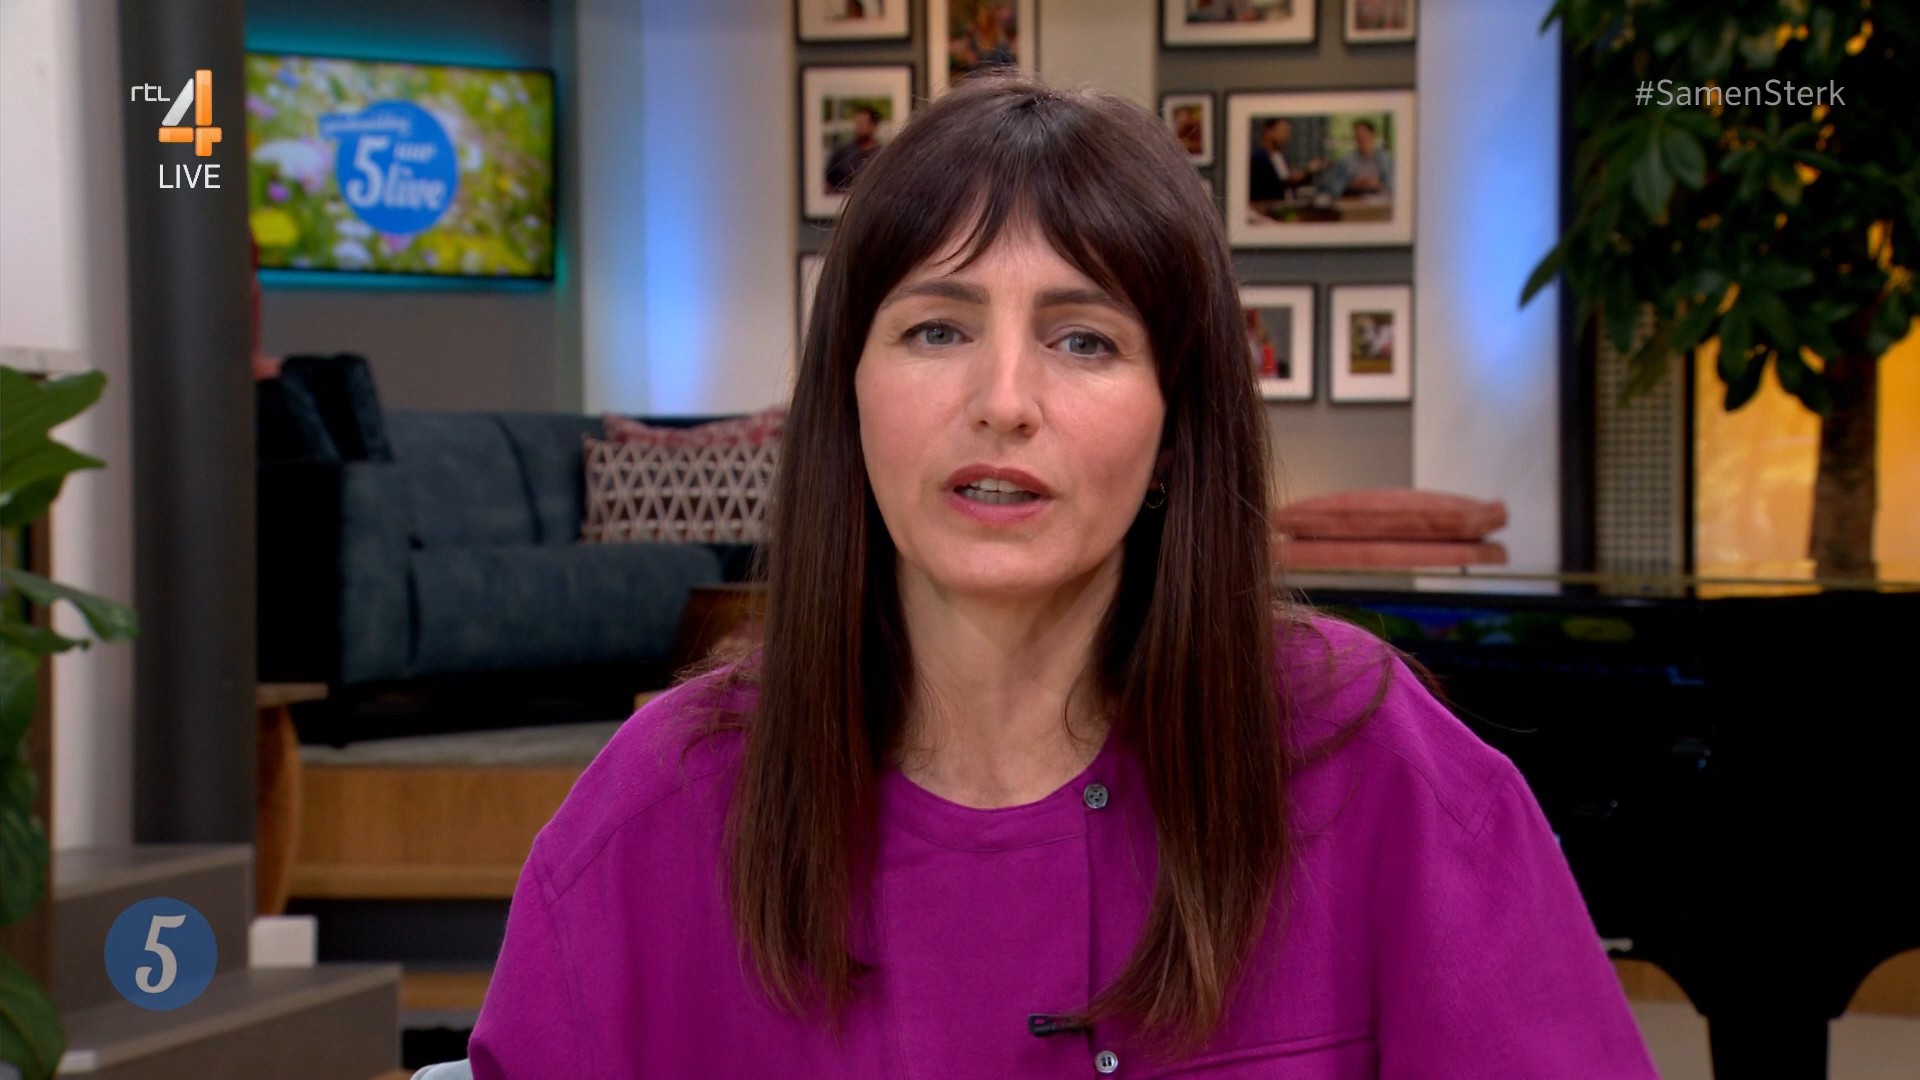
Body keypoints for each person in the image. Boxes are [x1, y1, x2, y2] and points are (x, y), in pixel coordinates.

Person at [467, 74, 1659, 1080]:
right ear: (849, 394)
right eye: (938, 329)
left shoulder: (1372, 759)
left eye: (1083, 339)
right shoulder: (661, 808)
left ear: (1175, 425)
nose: (1003, 401)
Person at [1248, 117, 1319, 202]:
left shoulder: (1281, 157)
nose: (1286, 137)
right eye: (1284, 132)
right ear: (1269, 132)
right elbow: (1278, 183)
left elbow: (1289, 180)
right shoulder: (1257, 158)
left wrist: (1308, 172)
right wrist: (1307, 170)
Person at [1324, 117, 1393, 198]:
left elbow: (1393, 186)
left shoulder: (1385, 159)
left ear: (1372, 135)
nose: (1361, 139)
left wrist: (1378, 184)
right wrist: (1352, 184)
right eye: (1357, 136)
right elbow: (1334, 188)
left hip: (1380, 200)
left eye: (1363, 135)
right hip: (1354, 200)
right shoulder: (1346, 161)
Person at [826, 106, 884, 193]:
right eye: (857, 123)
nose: (858, 127)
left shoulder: (882, 154)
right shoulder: (843, 153)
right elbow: (828, 182)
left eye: (862, 123)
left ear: (873, 126)